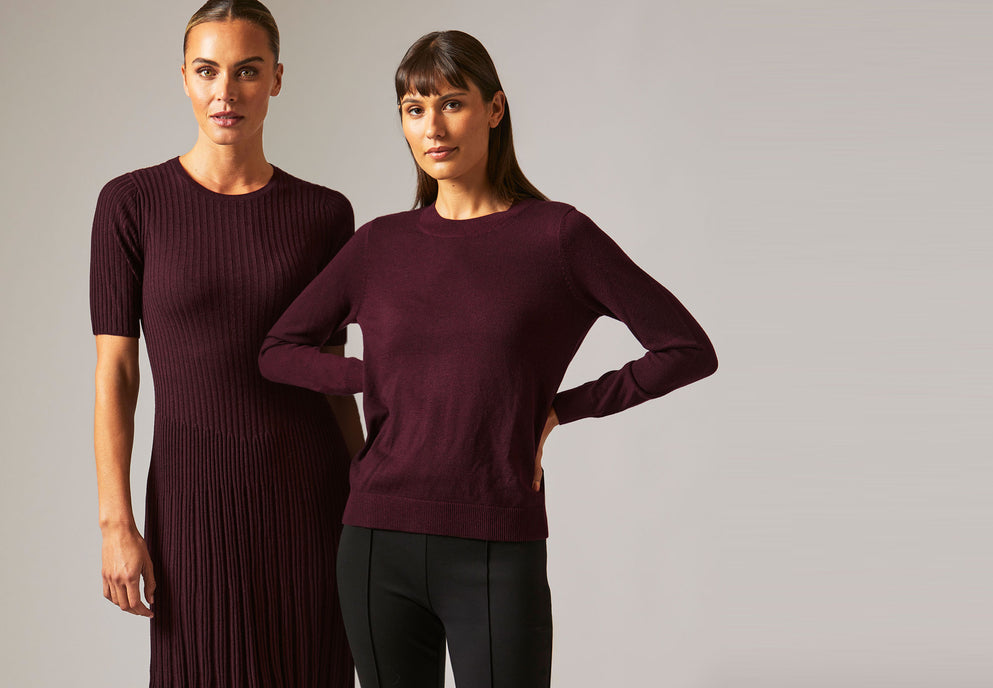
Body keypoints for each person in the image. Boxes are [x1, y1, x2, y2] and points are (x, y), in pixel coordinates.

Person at [258, 30, 718, 688]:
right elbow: (278, 351)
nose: (432, 127)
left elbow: (686, 349)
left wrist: (561, 409)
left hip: (497, 543)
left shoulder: (557, 237)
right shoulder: (380, 245)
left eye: (451, 103)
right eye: (414, 110)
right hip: (376, 542)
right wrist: (371, 377)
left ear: (494, 109)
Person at [90, 1, 358, 685]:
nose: (225, 91)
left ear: (276, 79)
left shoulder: (324, 215)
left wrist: (371, 497)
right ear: (183, 76)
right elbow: (117, 373)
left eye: (247, 71)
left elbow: (332, 376)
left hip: (310, 501)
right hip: (191, 504)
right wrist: (117, 524)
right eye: (208, 70)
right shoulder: (131, 205)